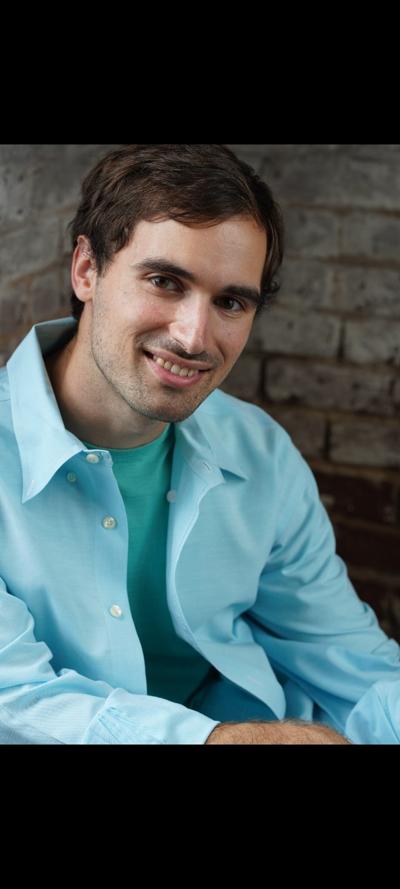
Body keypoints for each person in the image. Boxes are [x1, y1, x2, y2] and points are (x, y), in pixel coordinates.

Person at [0, 144, 399, 746]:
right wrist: (227, 742)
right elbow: (18, 698)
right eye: (165, 281)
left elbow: (350, 660)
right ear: (87, 269)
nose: (193, 337)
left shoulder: (259, 452)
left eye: (230, 302)